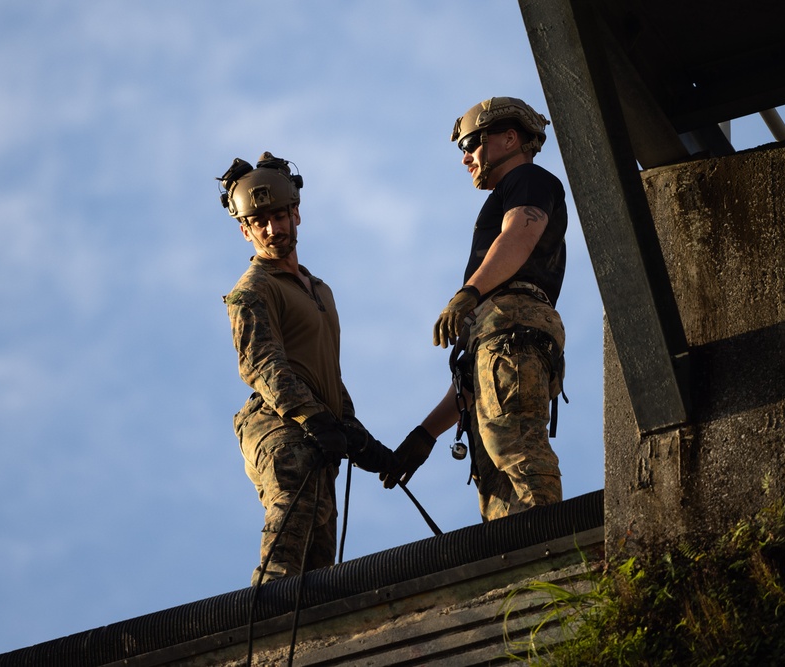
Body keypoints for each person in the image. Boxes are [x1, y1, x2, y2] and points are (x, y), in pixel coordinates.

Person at [382, 97, 568, 521]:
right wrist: (426, 434)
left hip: (516, 321)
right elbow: (479, 380)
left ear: (509, 138)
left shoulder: (530, 179)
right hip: (499, 330)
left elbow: (519, 234)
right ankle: (520, 577)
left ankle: (548, 543)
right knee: (495, 476)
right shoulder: (498, 310)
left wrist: (468, 292)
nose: (465, 157)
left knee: (514, 444)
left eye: (470, 143)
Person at [220, 152, 397, 585]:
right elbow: (262, 364)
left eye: (279, 216)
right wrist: (316, 418)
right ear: (245, 230)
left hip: (319, 431)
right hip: (279, 425)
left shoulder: (319, 290)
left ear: (296, 214)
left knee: (318, 569)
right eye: (258, 221)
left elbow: (324, 373)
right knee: (289, 542)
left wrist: (355, 433)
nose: (271, 229)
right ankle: (266, 623)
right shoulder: (252, 289)